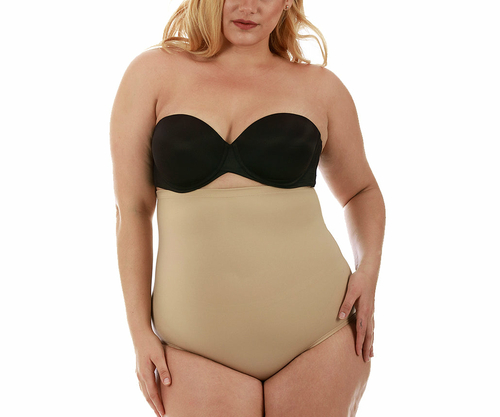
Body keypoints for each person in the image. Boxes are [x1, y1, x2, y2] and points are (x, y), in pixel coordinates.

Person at [110, 0, 386, 416]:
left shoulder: (321, 88)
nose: (249, 6)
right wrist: (138, 333)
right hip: (191, 348)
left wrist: (368, 271)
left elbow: (362, 191)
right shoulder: (152, 74)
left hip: (320, 335)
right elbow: (131, 210)